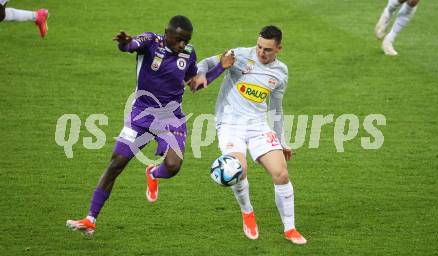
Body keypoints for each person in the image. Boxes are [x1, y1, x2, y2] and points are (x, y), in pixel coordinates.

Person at [66, 15, 234, 236]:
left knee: (173, 166)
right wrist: (124, 42)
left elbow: (194, 83)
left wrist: (220, 68)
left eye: (186, 40)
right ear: (167, 32)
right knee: (116, 163)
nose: (182, 44)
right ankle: (90, 219)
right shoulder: (151, 41)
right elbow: (130, 44)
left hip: (171, 117)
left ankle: (153, 173)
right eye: (179, 39)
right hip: (141, 116)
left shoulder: (188, 53)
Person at [190, 25, 307, 245]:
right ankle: (248, 213)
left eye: (268, 50)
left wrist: (282, 141)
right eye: (260, 46)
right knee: (238, 168)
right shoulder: (240, 54)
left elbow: (276, 108)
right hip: (229, 123)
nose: (262, 53)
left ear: (279, 48)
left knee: (281, 173)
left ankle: (290, 228)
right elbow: (206, 63)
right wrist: (200, 75)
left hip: (258, 125)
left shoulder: (280, 72)